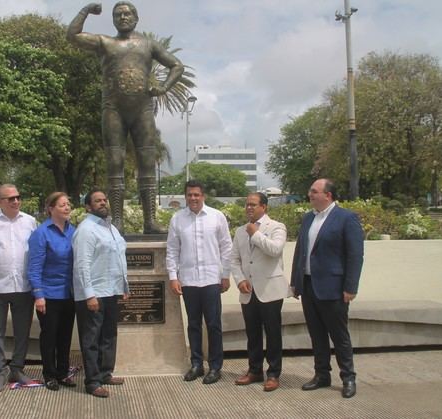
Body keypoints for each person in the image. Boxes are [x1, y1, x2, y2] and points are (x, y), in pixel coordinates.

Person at [67, 2, 185, 234]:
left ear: (136, 18)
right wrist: (86, 10)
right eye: (118, 14)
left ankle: (150, 221)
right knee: (115, 164)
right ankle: (118, 220)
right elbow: (73, 36)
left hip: (142, 109)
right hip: (113, 109)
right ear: (113, 20)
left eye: (127, 13)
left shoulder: (148, 45)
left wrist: (163, 87)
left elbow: (176, 66)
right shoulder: (105, 43)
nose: (123, 17)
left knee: (147, 164)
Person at [290, 178, 364, 399]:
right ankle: (322, 375)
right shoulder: (308, 219)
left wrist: (350, 287)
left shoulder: (346, 218)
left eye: (314, 191)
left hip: (334, 288)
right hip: (310, 286)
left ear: (328, 195)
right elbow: (300, 252)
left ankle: (348, 377)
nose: (310, 194)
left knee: (339, 336)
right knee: (317, 335)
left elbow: (355, 256)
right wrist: (296, 282)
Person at [166, 180, 232, 384]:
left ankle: (215, 367)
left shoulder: (216, 216)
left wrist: (225, 274)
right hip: (189, 281)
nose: (193, 198)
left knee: (213, 325)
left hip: (212, 279)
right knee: (193, 324)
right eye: (189, 195)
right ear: (185, 197)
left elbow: (226, 247)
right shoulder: (177, 219)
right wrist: (173, 277)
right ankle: (196, 364)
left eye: (196, 194)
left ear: (203, 196)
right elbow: (172, 250)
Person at [0, 184, 37, 393]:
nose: (15, 201)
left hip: (23, 286)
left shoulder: (30, 221)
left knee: (22, 332)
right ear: (0, 201)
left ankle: (17, 369)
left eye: (18, 197)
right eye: (10, 198)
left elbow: (36, 254)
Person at [73, 189, 129, 398]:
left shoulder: (111, 228)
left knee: (108, 336)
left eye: (104, 200)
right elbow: (82, 265)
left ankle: (106, 373)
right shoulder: (86, 230)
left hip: (111, 291)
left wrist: (124, 286)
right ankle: (92, 381)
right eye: (98, 201)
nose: (103, 203)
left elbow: (119, 258)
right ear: (88, 206)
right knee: (92, 339)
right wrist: (89, 295)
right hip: (93, 294)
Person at [231, 192, 290, 391]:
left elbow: (275, 250)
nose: (249, 208)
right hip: (248, 290)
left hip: (270, 289)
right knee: (252, 333)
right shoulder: (240, 231)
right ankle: (254, 370)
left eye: (253, 205)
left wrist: (254, 234)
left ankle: (273, 374)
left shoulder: (276, 227)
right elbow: (235, 260)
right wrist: (239, 281)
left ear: (264, 207)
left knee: (273, 333)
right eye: (247, 204)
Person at [27, 192, 77, 391]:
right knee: (50, 336)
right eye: (62, 205)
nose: (67, 208)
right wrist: (38, 294)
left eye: (68, 204)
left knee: (65, 336)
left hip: (70, 293)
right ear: (51, 209)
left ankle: (63, 373)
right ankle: (49, 374)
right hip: (48, 294)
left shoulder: (74, 231)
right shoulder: (41, 233)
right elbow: (34, 267)